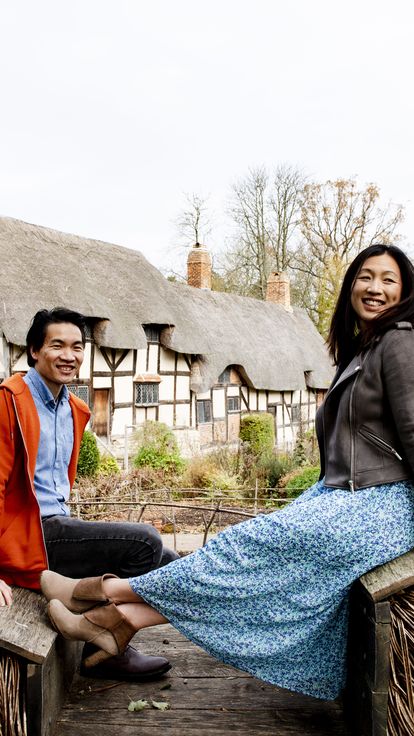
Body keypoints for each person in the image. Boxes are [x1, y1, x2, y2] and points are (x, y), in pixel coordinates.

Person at [40, 244, 414, 699]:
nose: (374, 288)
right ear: (351, 284)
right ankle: (119, 622)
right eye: (365, 276)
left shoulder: (399, 341)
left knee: (245, 547)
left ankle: (103, 594)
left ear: (404, 289)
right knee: (247, 553)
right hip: (344, 495)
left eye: (388, 279)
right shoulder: (361, 349)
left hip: (380, 504)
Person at [0, 307, 179, 680]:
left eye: (77, 347)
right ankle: (108, 642)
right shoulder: (9, 402)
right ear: (34, 350)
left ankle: (102, 640)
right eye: (57, 345)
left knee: (171, 562)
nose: (69, 356)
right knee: (145, 543)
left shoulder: (75, 409)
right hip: (27, 538)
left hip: (58, 528)